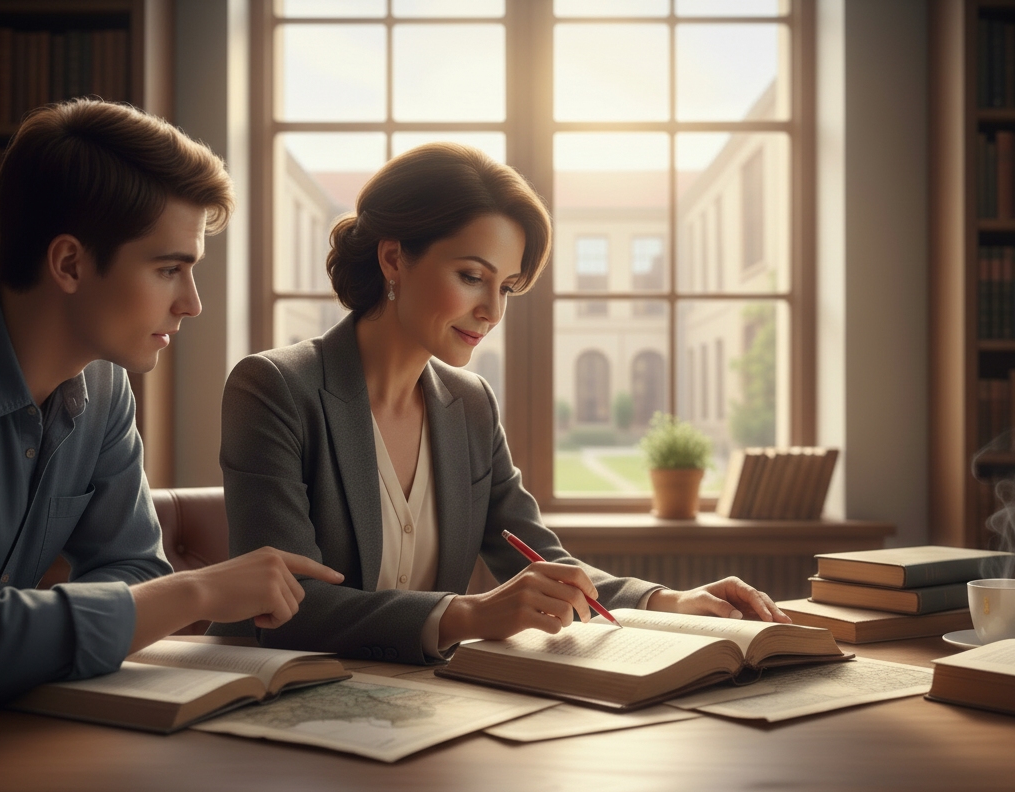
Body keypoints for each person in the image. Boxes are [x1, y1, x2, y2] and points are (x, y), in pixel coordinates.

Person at [215, 142, 789, 663]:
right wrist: (468, 614)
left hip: (426, 710)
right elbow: (282, 607)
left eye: (507, 287)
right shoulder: (274, 388)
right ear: (393, 259)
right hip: (290, 715)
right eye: (471, 276)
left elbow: (540, 561)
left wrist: (668, 600)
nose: (493, 310)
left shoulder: (470, 404)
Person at [0, 99, 342, 712]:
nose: (192, 303)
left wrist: (18, 633)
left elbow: (136, 570)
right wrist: (199, 592)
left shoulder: (103, 387)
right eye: (168, 269)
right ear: (70, 263)